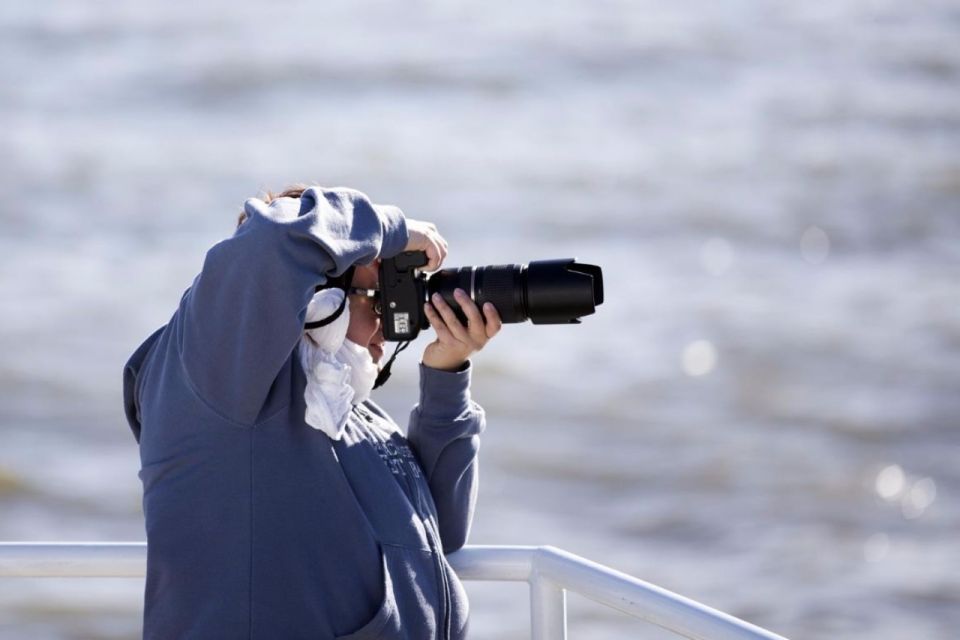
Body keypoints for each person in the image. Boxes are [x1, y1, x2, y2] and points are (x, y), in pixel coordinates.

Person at [122, 185, 502, 639]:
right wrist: (391, 230)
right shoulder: (215, 376)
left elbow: (441, 534)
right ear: (318, 298)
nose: (390, 316)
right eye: (376, 295)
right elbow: (270, 240)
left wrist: (446, 374)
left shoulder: (346, 408)